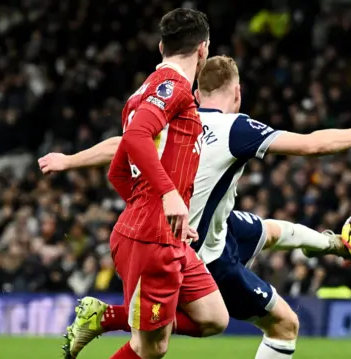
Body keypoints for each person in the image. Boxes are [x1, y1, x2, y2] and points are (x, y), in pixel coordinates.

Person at [40, 55, 351, 359]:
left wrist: (70, 160)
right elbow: (312, 145)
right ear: (237, 93)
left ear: (196, 93)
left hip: (213, 229)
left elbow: (123, 143)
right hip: (203, 252)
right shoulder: (234, 127)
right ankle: (110, 317)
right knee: (283, 325)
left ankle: (332, 245)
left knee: (269, 230)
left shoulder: (179, 119)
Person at [77, 8, 229, 359]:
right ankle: (117, 323)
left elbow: (118, 171)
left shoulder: (142, 92)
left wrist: (156, 209)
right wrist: (168, 197)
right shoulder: (174, 88)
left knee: (213, 317)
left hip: (162, 231)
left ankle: (106, 317)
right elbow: (136, 135)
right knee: (151, 349)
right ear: (203, 49)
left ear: (161, 46)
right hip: (152, 239)